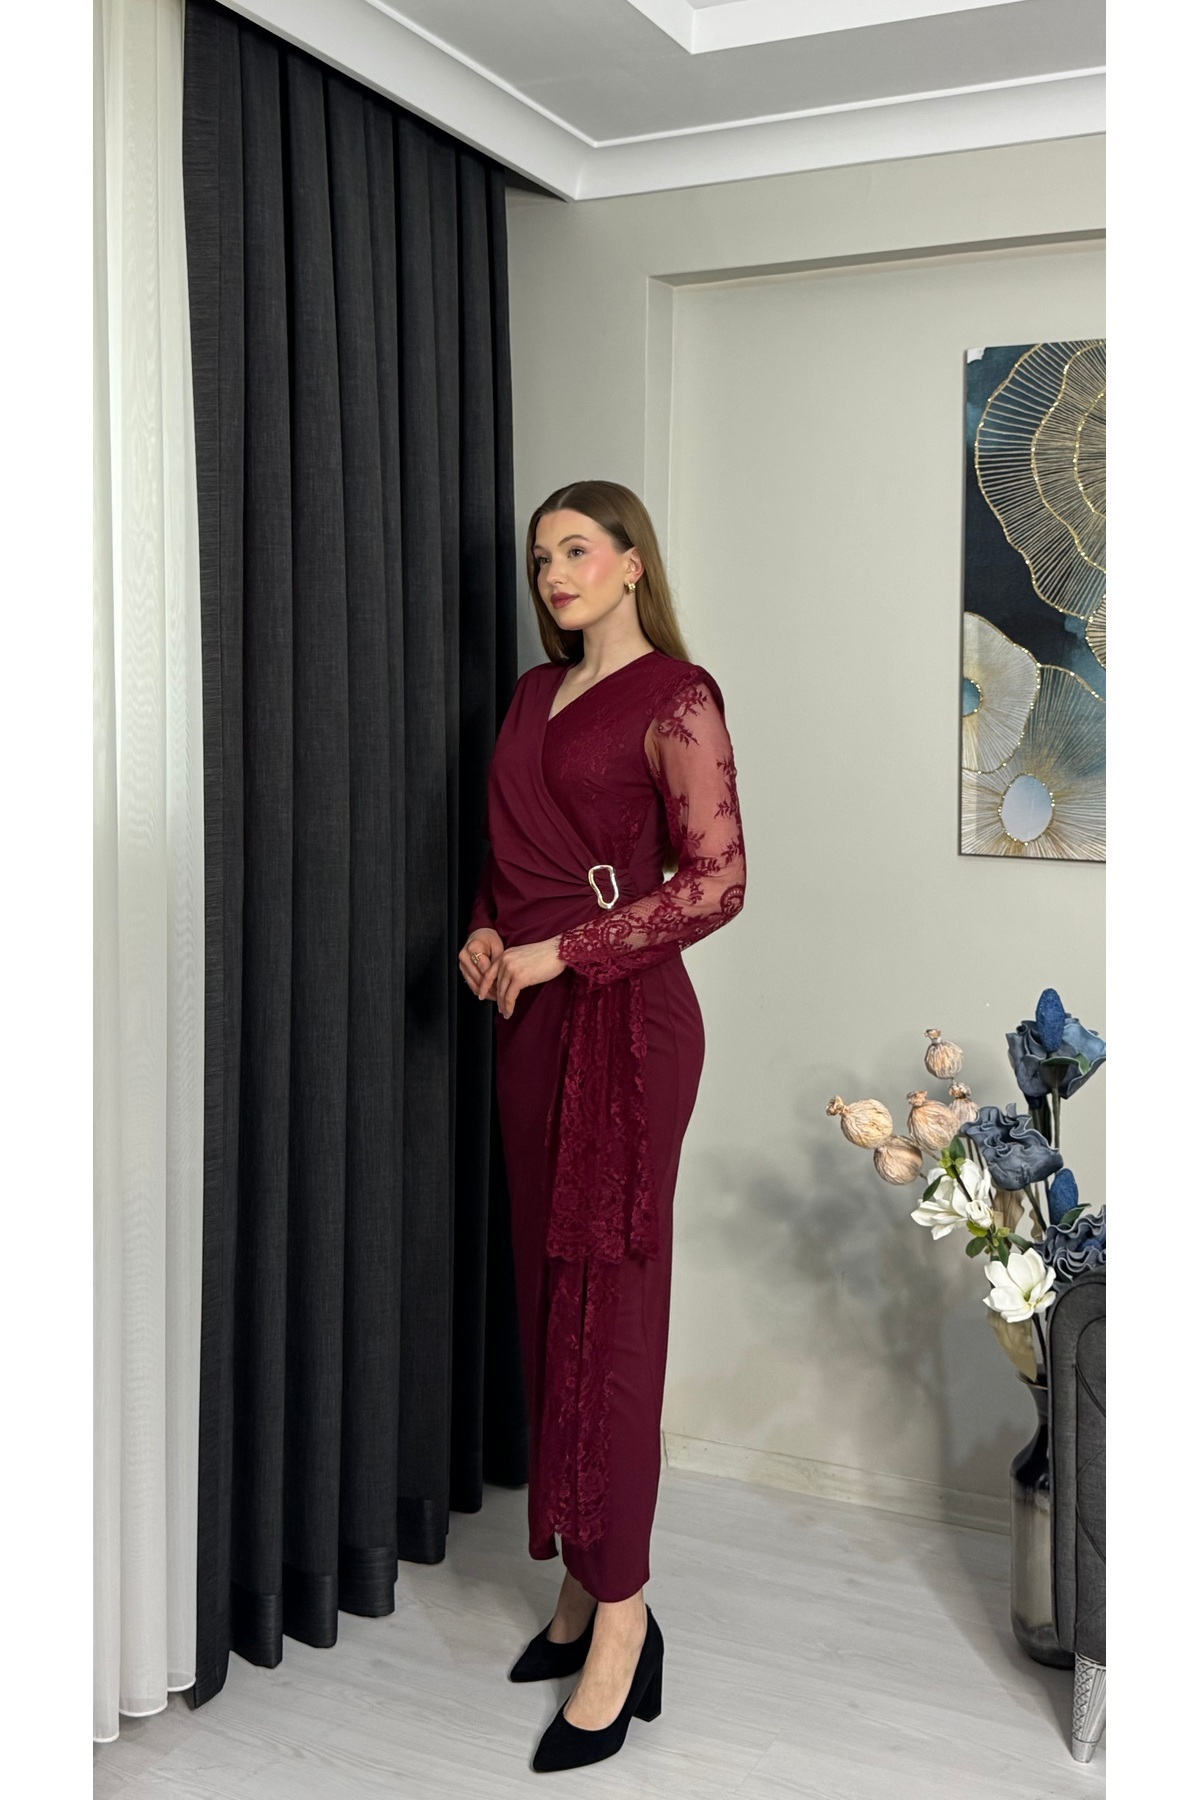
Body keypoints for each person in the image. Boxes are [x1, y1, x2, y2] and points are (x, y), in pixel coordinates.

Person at [458, 479, 746, 1773]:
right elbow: (504, 858)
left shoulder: (679, 696)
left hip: (628, 1031)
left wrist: (561, 951)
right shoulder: (532, 696)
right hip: (531, 1028)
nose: (555, 573)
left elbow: (720, 882)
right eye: (541, 558)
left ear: (633, 564)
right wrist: (486, 934)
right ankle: (582, 1581)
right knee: (549, 1304)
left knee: (613, 1320)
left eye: (577, 550)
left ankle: (624, 1621)